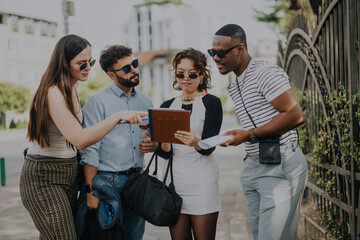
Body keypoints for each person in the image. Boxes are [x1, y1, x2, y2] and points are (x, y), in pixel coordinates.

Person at [19, 35, 147, 240]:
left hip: (68, 174)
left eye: (90, 62)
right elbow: (79, 139)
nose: (88, 67)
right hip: (44, 176)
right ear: (64, 63)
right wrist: (117, 117)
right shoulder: (53, 91)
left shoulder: (72, 87)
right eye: (81, 64)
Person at [208, 23, 308, 240]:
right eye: (212, 52)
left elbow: (295, 114)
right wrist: (241, 136)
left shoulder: (264, 72)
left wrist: (249, 134)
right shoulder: (236, 85)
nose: (215, 58)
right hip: (254, 164)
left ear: (240, 49)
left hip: (279, 163)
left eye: (220, 52)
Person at [76, 45, 155, 240]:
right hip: (107, 183)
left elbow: (154, 139)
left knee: (134, 236)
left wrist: (153, 145)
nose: (134, 70)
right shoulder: (97, 102)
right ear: (111, 75)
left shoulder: (146, 102)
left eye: (134, 64)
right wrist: (90, 190)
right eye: (127, 68)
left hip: (137, 182)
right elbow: (90, 150)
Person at [157, 48, 223, 240]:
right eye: (180, 73)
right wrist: (165, 145)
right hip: (174, 185)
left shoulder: (212, 103)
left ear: (202, 74)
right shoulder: (167, 106)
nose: (185, 78)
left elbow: (208, 148)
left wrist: (195, 142)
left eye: (192, 73)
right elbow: (164, 154)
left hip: (202, 183)